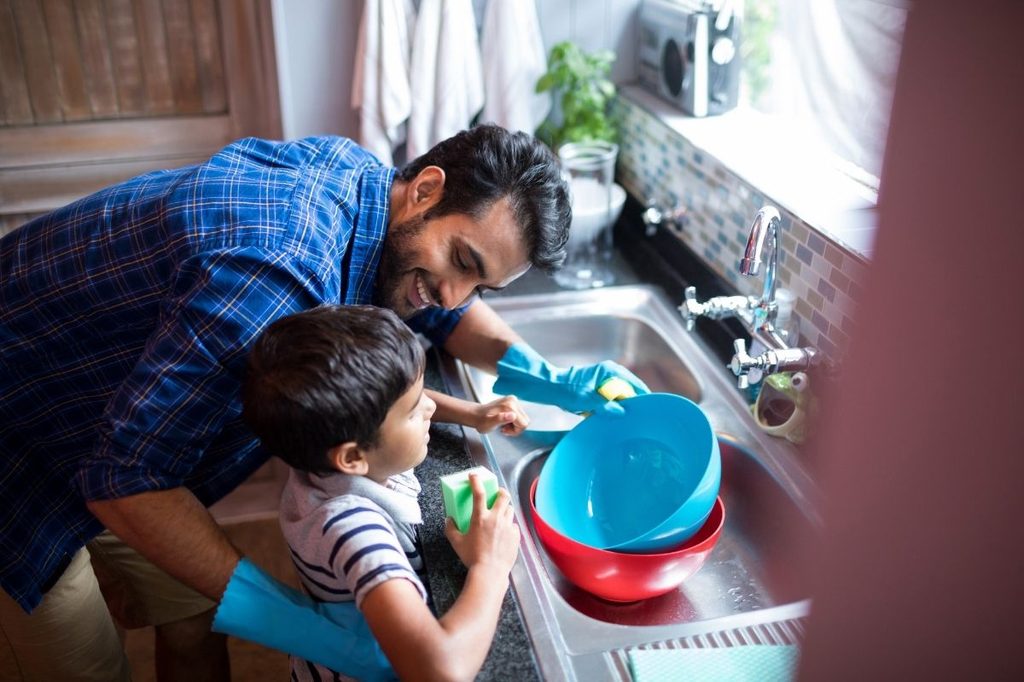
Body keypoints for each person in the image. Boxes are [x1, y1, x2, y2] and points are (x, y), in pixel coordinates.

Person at [0, 123, 649, 680]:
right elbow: (122, 479)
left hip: (123, 423)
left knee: (192, 618)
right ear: (425, 190)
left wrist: (545, 376)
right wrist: (303, 627)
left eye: (482, 283)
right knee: (87, 666)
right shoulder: (274, 273)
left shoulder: (372, 189)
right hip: (23, 442)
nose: (456, 296)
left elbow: (433, 305)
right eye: (462, 260)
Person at [242, 303, 521, 682]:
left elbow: (393, 404)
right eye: (413, 410)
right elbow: (440, 671)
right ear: (353, 456)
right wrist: (490, 566)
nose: (429, 407)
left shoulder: (319, 451)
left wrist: (472, 413)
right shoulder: (353, 528)